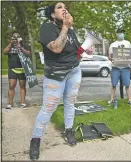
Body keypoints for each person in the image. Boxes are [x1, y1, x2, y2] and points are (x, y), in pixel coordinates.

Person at [29, 2, 82, 160]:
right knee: (48, 109)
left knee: (70, 103)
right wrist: (65, 27)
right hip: (55, 76)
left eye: (65, 6)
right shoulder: (47, 28)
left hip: (74, 71)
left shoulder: (71, 31)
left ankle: (69, 130)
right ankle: (36, 140)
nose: (64, 8)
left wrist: (85, 50)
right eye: (59, 7)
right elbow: (57, 48)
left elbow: (77, 51)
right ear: (52, 14)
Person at [4, 32, 31, 110]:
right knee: (11, 86)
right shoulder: (10, 44)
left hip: (22, 69)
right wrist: (10, 44)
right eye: (14, 38)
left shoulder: (24, 44)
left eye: (17, 38)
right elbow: (5, 52)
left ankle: (23, 103)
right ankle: (10, 104)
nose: (15, 40)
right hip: (12, 69)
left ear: (19, 38)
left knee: (22, 86)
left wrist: (21, 47)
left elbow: (28, 53)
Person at [108, 28, 131, 106]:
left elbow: (130, 55)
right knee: (113, 85)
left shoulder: (128, 43)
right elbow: (109, 56)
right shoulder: (112, 44)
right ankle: (111, 100)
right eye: (119, 33)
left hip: (125, 67)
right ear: (116, 34)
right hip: (115, 67)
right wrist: (111, 59)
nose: (121, 34)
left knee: (127, 85)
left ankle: (129, 100)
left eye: (122, 32)